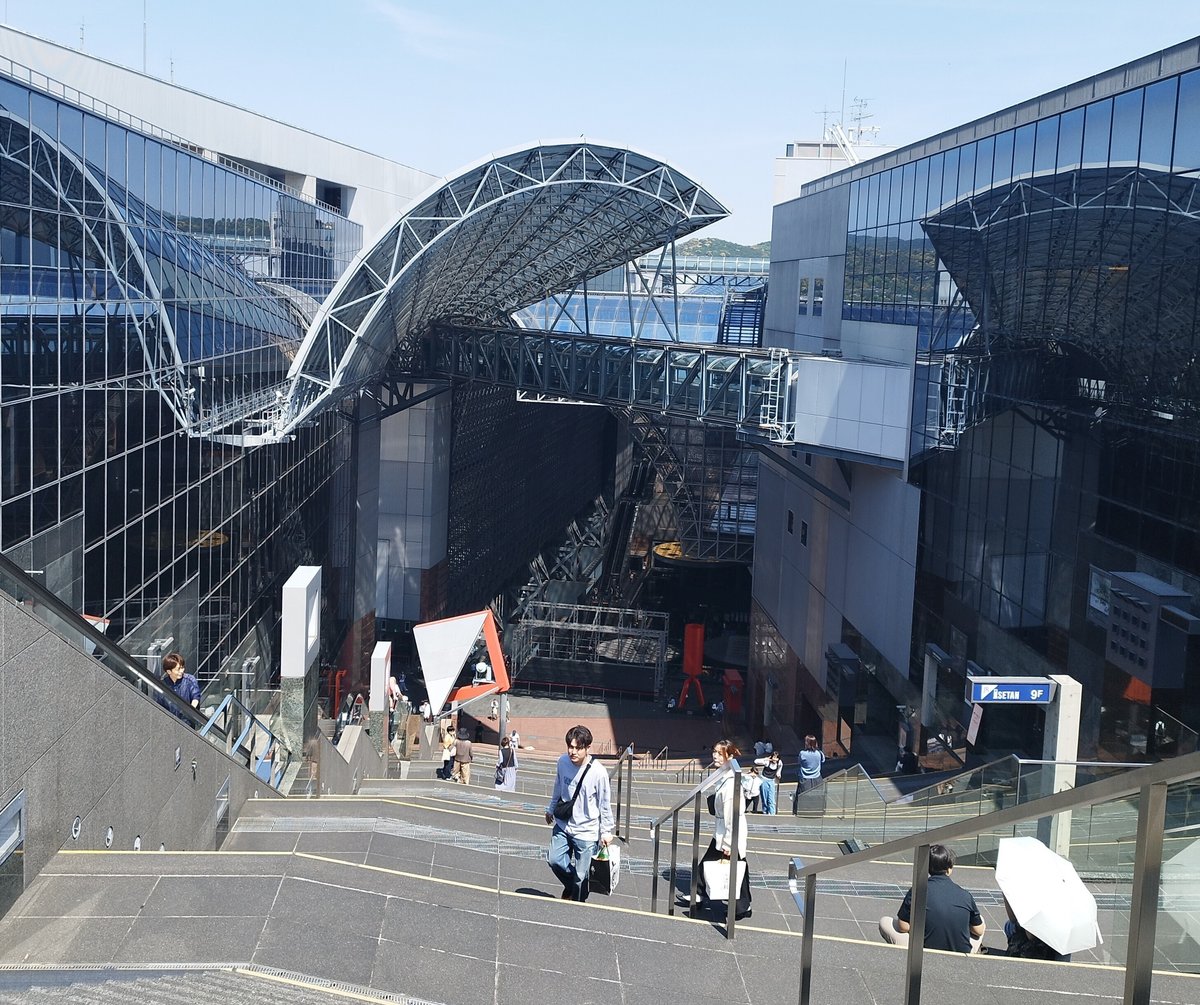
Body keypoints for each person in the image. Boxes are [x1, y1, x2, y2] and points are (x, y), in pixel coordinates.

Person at [545, 725, 613, 902]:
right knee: (554, 860)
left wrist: (606, 831)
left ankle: (577, 903)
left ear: (588, 748)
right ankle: (571, 886)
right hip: (564, 824)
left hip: (587, 832)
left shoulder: (598, 772)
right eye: (570, 746)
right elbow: (558, 787)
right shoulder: (563, 762)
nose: (572, 752)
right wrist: (551, 808)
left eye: (578, 748)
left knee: (582, 877)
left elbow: (605, 803)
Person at [879, 844, 985, 953]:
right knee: (980, 920)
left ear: (927, 868)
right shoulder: (966, 895)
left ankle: (909, 954)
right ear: (949, 869)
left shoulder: (917, 890)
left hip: (924, 951)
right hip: (961, 953)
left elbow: (903, 926)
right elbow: (979, 930)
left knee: (885, 922)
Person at [697, 739, 752, 919]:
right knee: (736, 864)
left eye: (719, 754)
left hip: (729, 831)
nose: (715, 756)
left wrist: (729, 842)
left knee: (736, 865)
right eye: (714, 752)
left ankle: (699, 893)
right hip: (724, 829)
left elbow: (730, 814)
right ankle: (699, 892)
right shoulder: (725, 774)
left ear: (729, 756)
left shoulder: (730, 781)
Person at [158, 652, 200, 721]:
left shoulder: (189, 680)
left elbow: (195, 697)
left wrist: (189, 713)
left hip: (187, 722)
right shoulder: (163, 684)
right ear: (169, 671)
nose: (182, 671)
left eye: (182, 667)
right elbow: (159, 704)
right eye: (178, 669)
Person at [794, 734, 825, 811]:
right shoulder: (819, 753)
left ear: (807, 743)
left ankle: (801, 811)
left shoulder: (802, 753)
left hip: (805, 778)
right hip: (817, 778)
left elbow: (799, 762)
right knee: (817, 797)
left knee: (802, 797)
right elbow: (823, 760)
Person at [754, 748, 783, 815]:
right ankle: (765, 811)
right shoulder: (767, 762)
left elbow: (779, 770)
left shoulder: (779, 763)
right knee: (764, 797)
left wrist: (778, 774)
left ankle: (772, 813)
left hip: (772, 781)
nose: (775, 759)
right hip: (764, 780)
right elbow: (756, 761)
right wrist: (766, 759)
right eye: (774, 757)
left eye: (777, 758)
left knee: (771, 798)